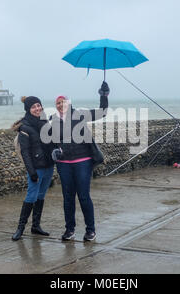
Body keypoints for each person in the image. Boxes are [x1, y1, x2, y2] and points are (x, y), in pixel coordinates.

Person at [50, 81, 110, 242]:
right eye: (58, 103)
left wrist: (103, 95)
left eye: (63, 101)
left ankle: (90, 230)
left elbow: (102, 112)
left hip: (83, 161)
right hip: (64, 164)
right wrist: (54, 151)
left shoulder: (80, 114)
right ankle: (69, 230)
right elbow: (49, 141)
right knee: (68, 198)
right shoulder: (52, 120)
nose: (60, 104)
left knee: (83, 196)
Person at [11, 96, 54, 241]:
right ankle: (20, 229)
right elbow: (25, 152)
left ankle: (36, 226)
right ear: (28, 109)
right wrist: (31, 172)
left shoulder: (45, 122)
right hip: (36, 168)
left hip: (48, 166)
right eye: (34, 107)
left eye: (39, 106)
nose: (37, 109)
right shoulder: (25, 126)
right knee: (31, 196)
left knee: (41, 196)